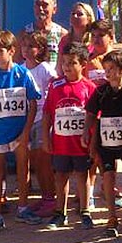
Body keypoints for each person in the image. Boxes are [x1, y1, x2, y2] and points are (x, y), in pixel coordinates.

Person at [0, 30, 40, 235]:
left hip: (19, 132)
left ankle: (23, 207)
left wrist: (26, 131)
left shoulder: (23, 74)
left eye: (0, 51)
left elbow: (33, 104)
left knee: (23, 168)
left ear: (12, 51)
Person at [85, 49, 122, 237]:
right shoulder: (100, 91)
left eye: (111, 68)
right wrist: (87, 132)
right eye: (106, 68)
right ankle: (112, 215)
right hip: (106, 142)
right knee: (108, 176)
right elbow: (91, 114)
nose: (107, 72)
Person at [41, 42, 95, 231]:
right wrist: (45, 138)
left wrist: (93, 142)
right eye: (64, 62)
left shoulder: (89, 87)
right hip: (60, 144)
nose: (67, 67)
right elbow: (47, 113)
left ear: (83, 64)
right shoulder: (55, 86)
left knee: (82, 175)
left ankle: (85, 210)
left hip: (80, 143)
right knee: (61, 176)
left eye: (72, 63)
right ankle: (60, 213)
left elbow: (94, 116)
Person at [20, 31, 57, 219]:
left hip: (42, 118)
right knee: (34, 161)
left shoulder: (45, 68)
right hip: (26, 119)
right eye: (24, 45)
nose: (26, 49)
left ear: (40, 49)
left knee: (44, 161)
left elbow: (55, 87)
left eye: (31, 46)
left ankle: (52, 199)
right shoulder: (19, 69)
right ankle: (45, 196)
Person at [20, 0, 68, 71]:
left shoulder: (62, 34)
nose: (41, 8)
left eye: (45, 5)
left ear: (54, 9)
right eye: (38, 5)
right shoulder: (24, 33)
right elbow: (17, 60)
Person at [57, 1, 96, 76]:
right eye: (73, 14)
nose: (75, 16)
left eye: (79, 14)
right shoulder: (65, 40)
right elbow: (59, 67)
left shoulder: (94, 40)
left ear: (89, 19)